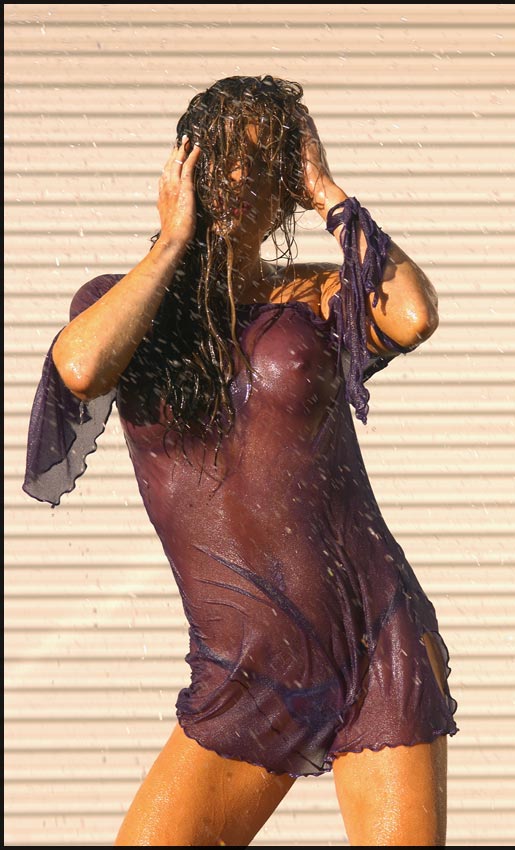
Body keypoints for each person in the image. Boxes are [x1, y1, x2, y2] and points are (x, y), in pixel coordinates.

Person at [22, 75, 459, 847]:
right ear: (183, 166)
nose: (236, 176)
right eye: (221, 155)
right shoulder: (120, 302)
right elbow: (81, 368)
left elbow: (413, 313)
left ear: (282, 188)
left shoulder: (315, 295)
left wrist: (326, 193)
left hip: (375, 633)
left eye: (263, 163)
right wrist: (172, 241)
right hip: (247, 664)